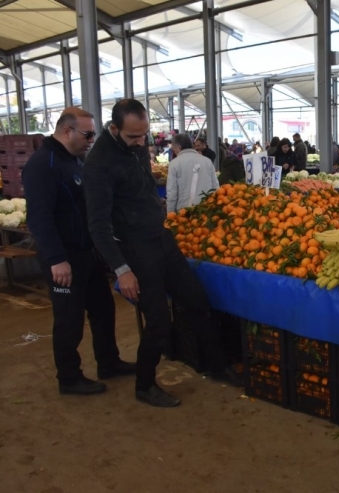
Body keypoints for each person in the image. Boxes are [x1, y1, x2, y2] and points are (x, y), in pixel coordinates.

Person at [84, 99, 226, 408]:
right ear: (114, 129)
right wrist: (121, 269)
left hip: (162, 238)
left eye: (144, 135)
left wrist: (159, 211)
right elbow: (97, 224)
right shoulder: (98, 164)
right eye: (133, 137)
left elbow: (145, 188)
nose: (140, 143)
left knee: (196, 301)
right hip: (135, 249)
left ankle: (218, 365)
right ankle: (144, 385)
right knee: (158, 322)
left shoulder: (136, 149)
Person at [22, 107, 134, 396]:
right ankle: (69, 378)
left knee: (103, 309)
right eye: (87, 134)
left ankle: (108, 362)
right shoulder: (42, 164)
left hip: (87, 253)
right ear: (66, 131)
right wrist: (57, 259)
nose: (91, 140)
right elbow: (39, 217)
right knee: (69, 320)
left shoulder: (74, 160)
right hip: (63, 257)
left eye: (93, 134)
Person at [166, 134, 219, 213]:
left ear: (179, 147)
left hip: (184, 212)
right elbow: (215, 187)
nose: (174, 152)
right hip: (206, 210)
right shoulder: (207, 161)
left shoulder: (174, 164)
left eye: (174, 149)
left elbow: (172, 193)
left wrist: (170, 214)